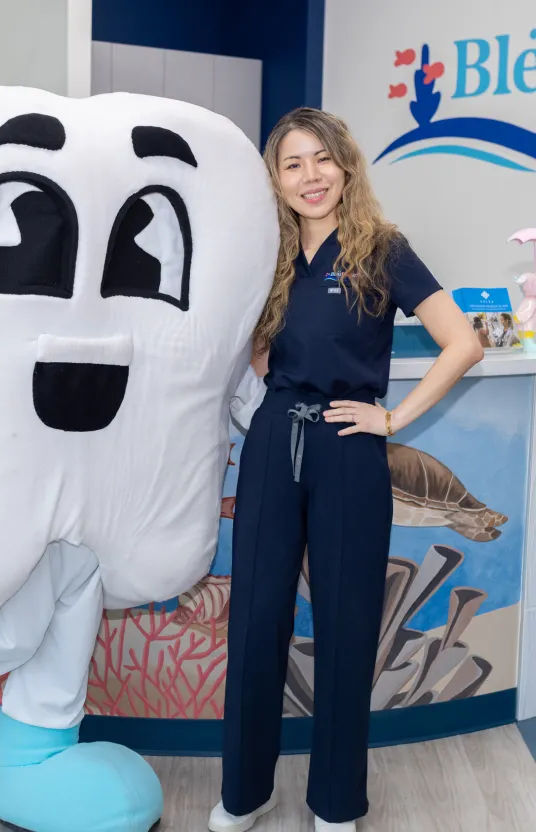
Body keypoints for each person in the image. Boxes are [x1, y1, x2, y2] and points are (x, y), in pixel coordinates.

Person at [208, 108, 483, 832]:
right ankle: (244, 793)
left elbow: (462, 342)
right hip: (274, 441)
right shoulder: (265, 253)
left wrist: (392, 419)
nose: (310, 176)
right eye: (292, 163)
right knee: (256, 621)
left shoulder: (383, 249)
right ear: (275, 179)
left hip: (348, 448)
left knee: (347, 623)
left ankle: (335, 804)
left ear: (346, 165)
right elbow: (254, 351)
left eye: (322, 159)